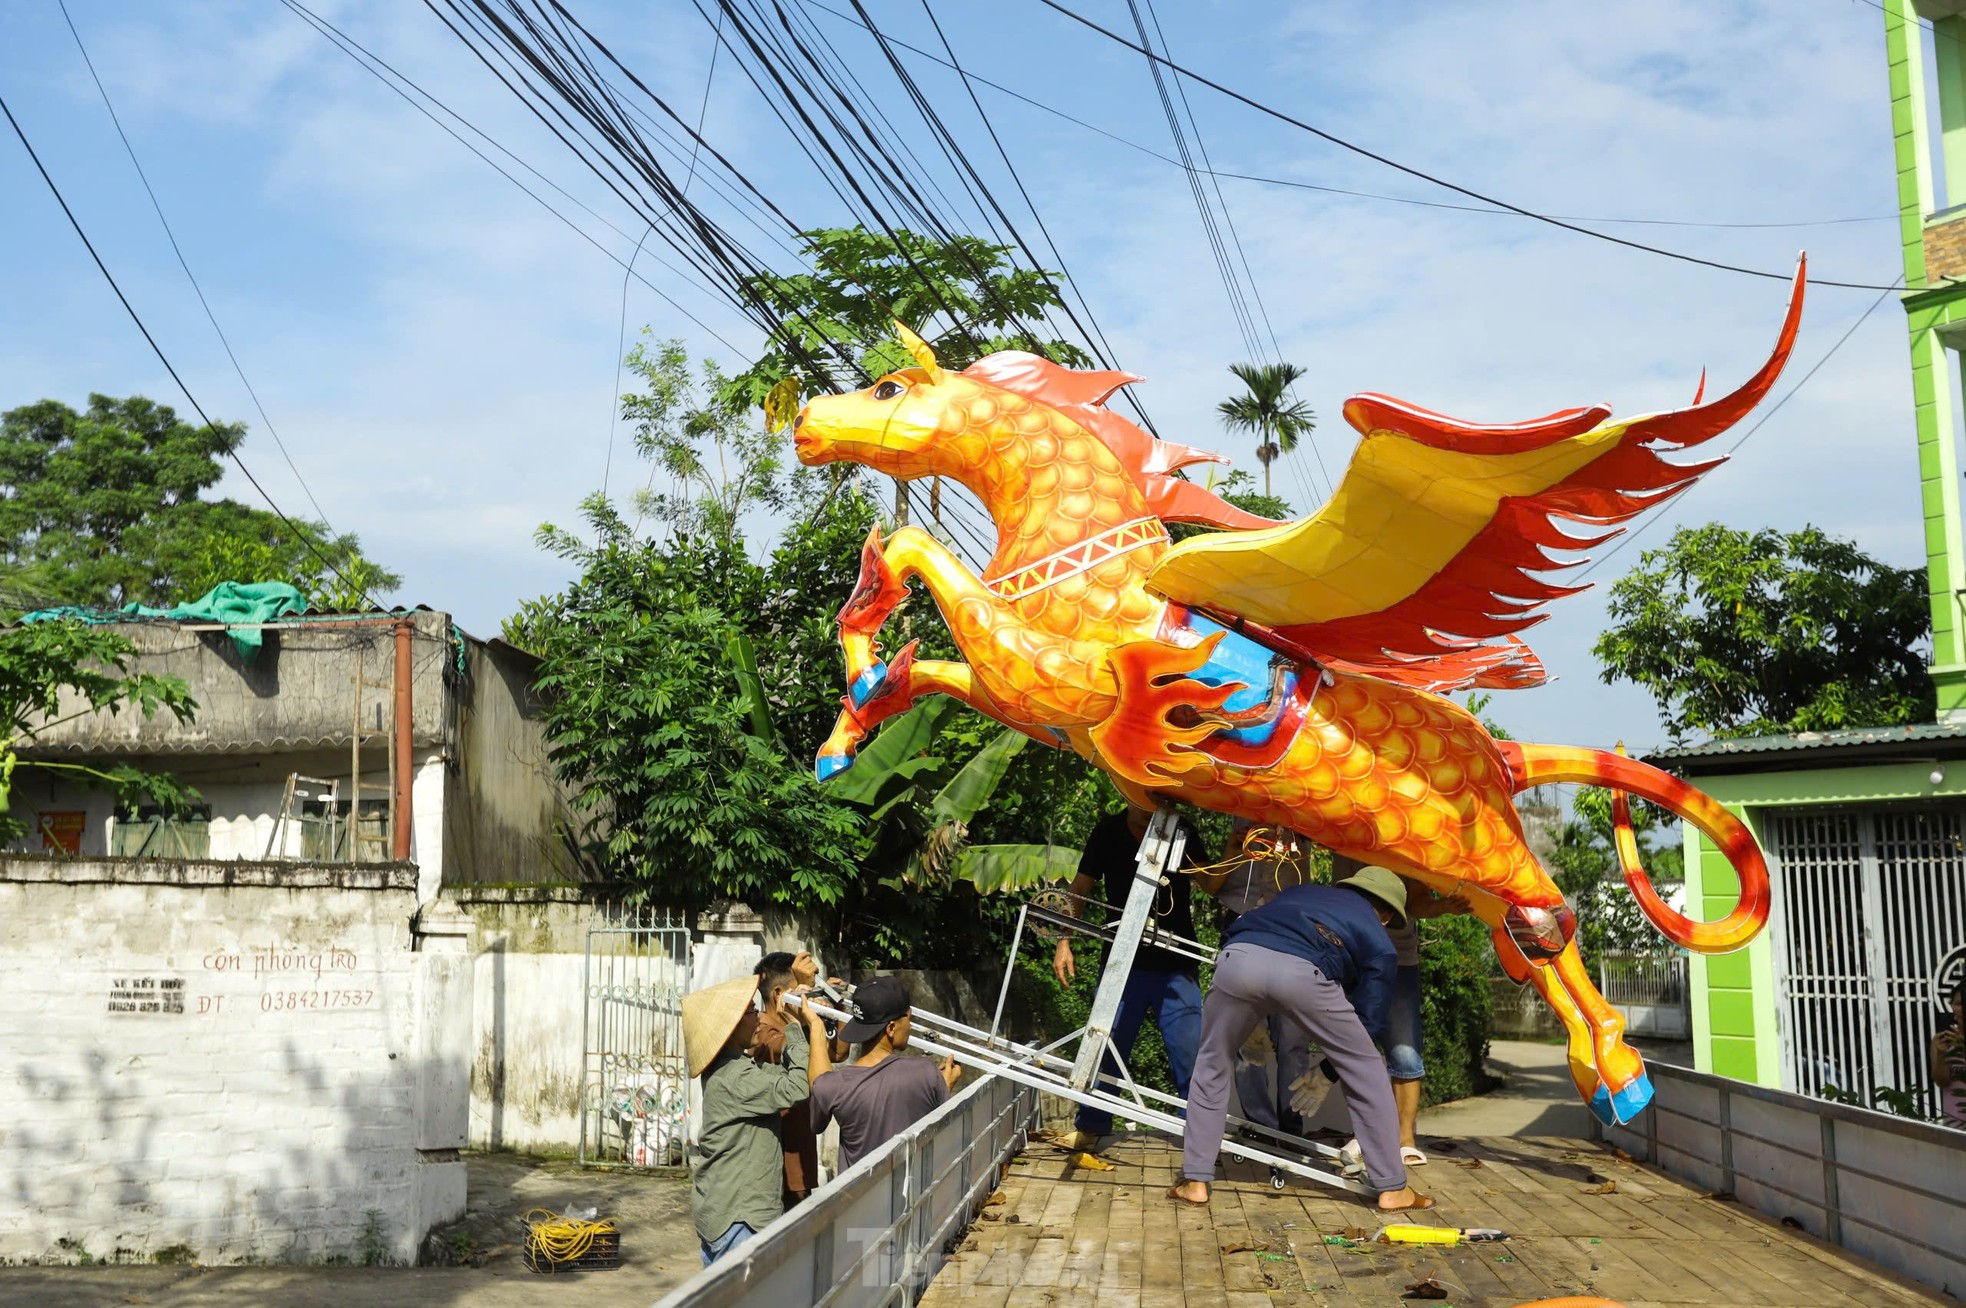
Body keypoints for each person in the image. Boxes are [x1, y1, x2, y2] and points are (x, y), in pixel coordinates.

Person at [1168, 866, 1432, 1212]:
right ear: (1385, 914)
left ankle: (1195, 1181)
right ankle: (1392, 1188)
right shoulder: (1381, 941)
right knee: (1366, 1068)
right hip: (1305, 974)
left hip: (1238, 958)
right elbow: (1369, 1019)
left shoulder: (1298, 893)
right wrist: (1329, 1071)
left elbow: (1239, 928)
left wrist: (1251, 1019)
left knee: (1212, 1061)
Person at [1053, 804, 1210, 1152]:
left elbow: (1211, 884)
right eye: (1143, 799)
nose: (1150, 808)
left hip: (1177, 965)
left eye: (1159, 801)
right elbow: (1080, 889)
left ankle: (1199, 1134)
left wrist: (1234, 848)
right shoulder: (1107, 831)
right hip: (1123, 964)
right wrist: (1064, 941)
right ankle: (1091, 1126)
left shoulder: (1183, 831)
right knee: (1105, 1043)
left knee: (1190, 1054)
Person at [683, 973, 831, 1265]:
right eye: (752, 1013)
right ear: (731, 1026)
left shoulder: (738, 1068)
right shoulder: (735, 1077)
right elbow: (798, 1087)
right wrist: (795, 1026)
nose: (759, 1020)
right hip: (739, 1219)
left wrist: (799, 1026)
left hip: (730, 1214)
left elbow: (786, 1076)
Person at [1332, 867, 1469, 1171]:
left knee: (1405, 1051)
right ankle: (1366, 1135)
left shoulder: (1405, 834)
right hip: (1349, 956)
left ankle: (1405, 1139)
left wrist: (1442, 906)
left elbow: (1418, 902)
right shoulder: (1338, 826)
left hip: (1398, 958)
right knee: (1354, 1047)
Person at [1196, 820, 1314, 1136]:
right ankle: (1260, 1128)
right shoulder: (1243, 795)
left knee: (1292, 1035)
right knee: (1245, 1035)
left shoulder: (1308, 801)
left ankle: (1291, 1131)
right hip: (1241, 919)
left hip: (1292, 924)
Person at [809, 975, 961, 1171]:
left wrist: (815, 1027)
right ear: (891, 1028)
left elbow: (818, 1086)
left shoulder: (835, 1085)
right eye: (909, 1018)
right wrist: (944, 1086)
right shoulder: (925, 1072)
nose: (910, 1026)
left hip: (855, 1198)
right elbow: (944, 1131)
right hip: (911, 1196)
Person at [752, 951, 828, 1205]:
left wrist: (831, 1011)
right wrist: (805, 1022)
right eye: (801, 993)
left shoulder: (798, 1029)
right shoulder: (762, 1032)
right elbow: (791, 1050)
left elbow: (838, 1051)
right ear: (778, 995)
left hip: (801, 1159)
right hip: (781, 1167)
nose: (807, 1001)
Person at [1934, 974, 1966, 1129]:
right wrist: (1941, 1054)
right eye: (1959, 1004)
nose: (1963, 1009)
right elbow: (1942, 1081)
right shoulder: (1941, 1040)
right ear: (1952, 1006)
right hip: (1954, 1124)